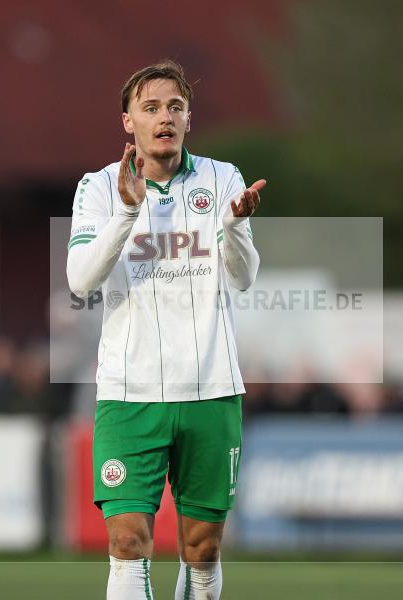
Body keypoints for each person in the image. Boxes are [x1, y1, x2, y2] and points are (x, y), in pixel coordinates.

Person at [66, 60, 264, 600]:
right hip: (129, 394)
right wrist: (128, 213)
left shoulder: (222, 178)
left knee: (202, 550)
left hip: (210, 389)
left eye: (175, 106)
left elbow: (244, 279)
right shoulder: (100, 187)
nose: (164, 117)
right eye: (150, 107)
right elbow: (81, 281)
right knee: (128, 544)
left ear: (189, 118)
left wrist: (235, 226)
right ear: (127, 121)